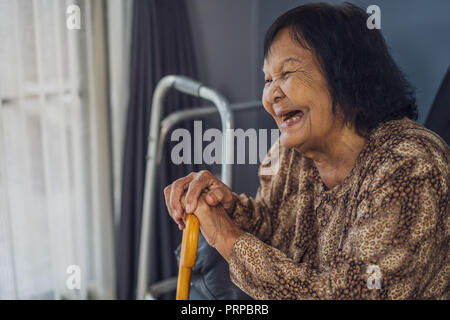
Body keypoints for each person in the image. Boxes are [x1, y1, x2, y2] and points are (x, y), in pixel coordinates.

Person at [164, 3, 449, 299]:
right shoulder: (289, 154)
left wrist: (226, 236)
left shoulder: (411, 166)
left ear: (346, 76)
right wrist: (227, 210)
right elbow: (273, 228)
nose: (271, 94)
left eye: (287, 72)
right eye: (267, 80)